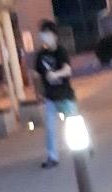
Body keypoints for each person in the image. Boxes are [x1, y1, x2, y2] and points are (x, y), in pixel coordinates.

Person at [35, 20, 77, 170]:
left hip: (65, 95)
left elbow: (67, 70)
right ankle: (52, 157)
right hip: (50, 98)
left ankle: (82, 149)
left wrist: (56, 74)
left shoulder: (60, 51)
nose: (43, 37)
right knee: (50, 128)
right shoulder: (41, 55)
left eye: (46, 33)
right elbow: (37, 75)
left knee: (73, 125)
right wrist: (39, 93)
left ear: (53, 35)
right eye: (42, 34)